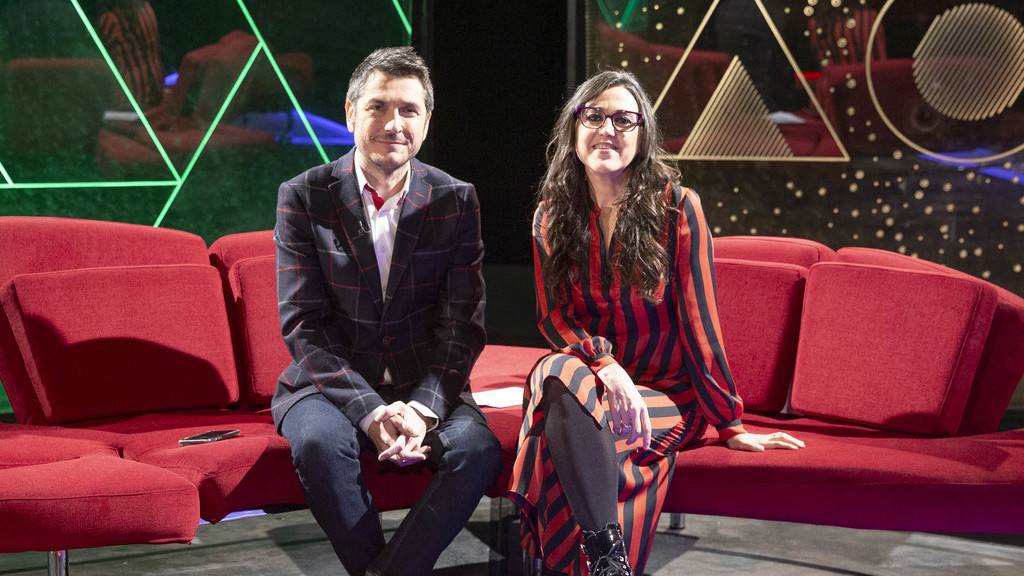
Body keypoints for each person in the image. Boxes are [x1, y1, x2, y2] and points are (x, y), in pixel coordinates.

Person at [509, 69, 805, 576]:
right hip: (590, 381)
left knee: (558, 428)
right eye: (594, 116)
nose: (607, 129)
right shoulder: (549, 215)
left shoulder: (677, 207)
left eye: (624, 120)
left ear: (643, 134)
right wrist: (608, 368)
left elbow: (700, 321)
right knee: (556, 373)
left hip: (667, 393)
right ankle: (608, 558)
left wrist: (729, 422)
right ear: (574, 128)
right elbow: (554, 317)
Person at [273, 47, 502, 576]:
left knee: (477, 450)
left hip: (425, 381)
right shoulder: (304, 195)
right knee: (318, 444)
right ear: (351, 112)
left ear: (426, 122)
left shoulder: (454, 199)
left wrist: (421, 409)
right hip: (327, 385)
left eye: (408, 110)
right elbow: (304, 326)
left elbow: (462, 325)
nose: (393, 123)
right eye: (378, 107)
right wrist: (372, 412)